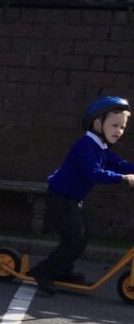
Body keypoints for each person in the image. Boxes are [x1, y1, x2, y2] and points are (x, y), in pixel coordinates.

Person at [28, 95, 134, 296]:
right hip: (60, 198)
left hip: (72, 199)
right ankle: (44, 271)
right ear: (98, 124)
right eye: (114, 125)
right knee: (75, 239)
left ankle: (62, 270)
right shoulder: (86, 145)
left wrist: (129, 171)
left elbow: (119, 163)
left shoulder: (101, 147)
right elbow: (93, 173)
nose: (119, 131)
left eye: (122, 127)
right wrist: (123, 178)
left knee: (81, 237)